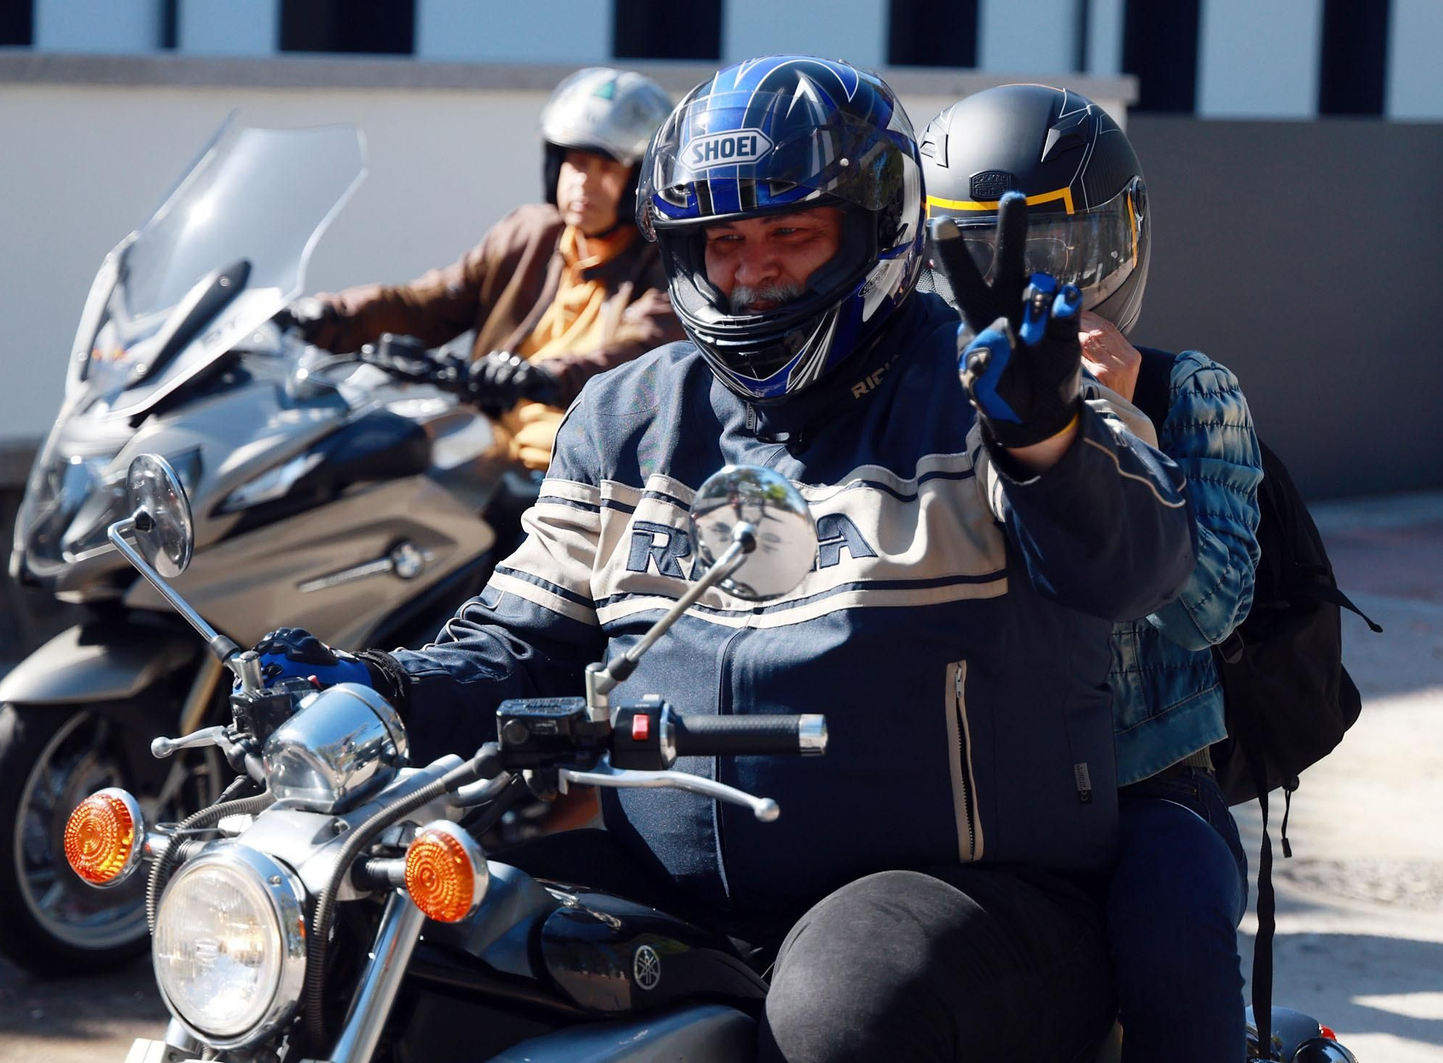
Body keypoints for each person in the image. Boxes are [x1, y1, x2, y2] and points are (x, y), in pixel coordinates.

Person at [261, 57, 1197, 1063]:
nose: (753, 271)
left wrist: (1047, 441)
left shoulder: (997, 384)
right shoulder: (627, 419)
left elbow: (1138, 567)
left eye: (790, 233)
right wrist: (375, 686)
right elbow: (519, 641)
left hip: (971, 893)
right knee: (407, 947)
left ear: (874, 227)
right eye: (724, 240)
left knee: (844, 1014)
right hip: (673, 888)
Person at [920, 83, 1264, 1062]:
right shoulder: (918, 396)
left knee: (1175, 943)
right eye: (979, 251)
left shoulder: (1187, 390)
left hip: (1143, 783)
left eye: (1064, 252)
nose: (1026, 285)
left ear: (1126, 240)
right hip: (970, 788)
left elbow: (1210, 612)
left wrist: (1122, 438)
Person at [287, 67, 683, 474]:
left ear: (640, 179)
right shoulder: (529, 234)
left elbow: (640, 356)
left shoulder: (668, 261)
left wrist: (540, 377)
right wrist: (326, 314)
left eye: (607, 168)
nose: (585, 182)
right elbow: (428, 303)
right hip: (491, 458)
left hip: (585, 477)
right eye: (577, 162)